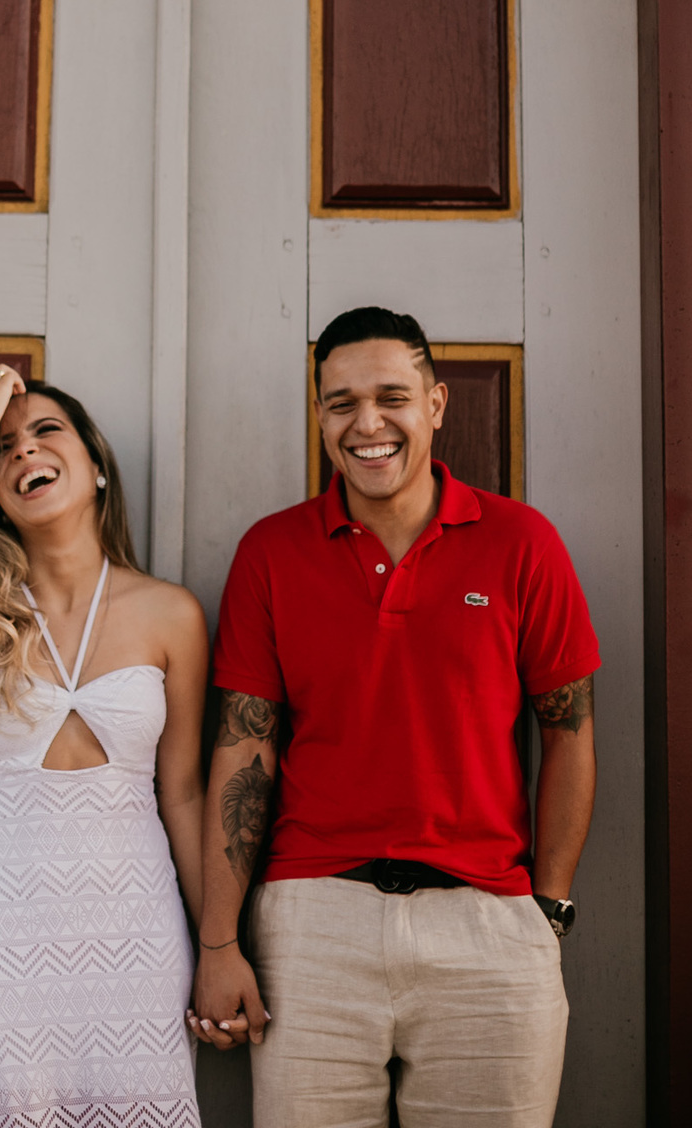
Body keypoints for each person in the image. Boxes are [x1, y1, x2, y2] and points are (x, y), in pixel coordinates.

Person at [188, 306, 599, 1128]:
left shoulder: (522, 543)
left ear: (436, 404)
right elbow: (243, 752)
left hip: (488, 924)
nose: (367, 424)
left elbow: (570, 735)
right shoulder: (272, 553)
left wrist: (546, 910)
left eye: (392, 398)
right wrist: (219, 942)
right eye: (342, 403)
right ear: (319, 416)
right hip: (312, 926)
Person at [0, 363, 207, 1128]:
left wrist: (221, 947)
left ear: (96, 466)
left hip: (135, 940)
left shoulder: (171, 614)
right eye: (4, 449)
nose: (24, 450)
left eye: (44, 432)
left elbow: (185, 794)